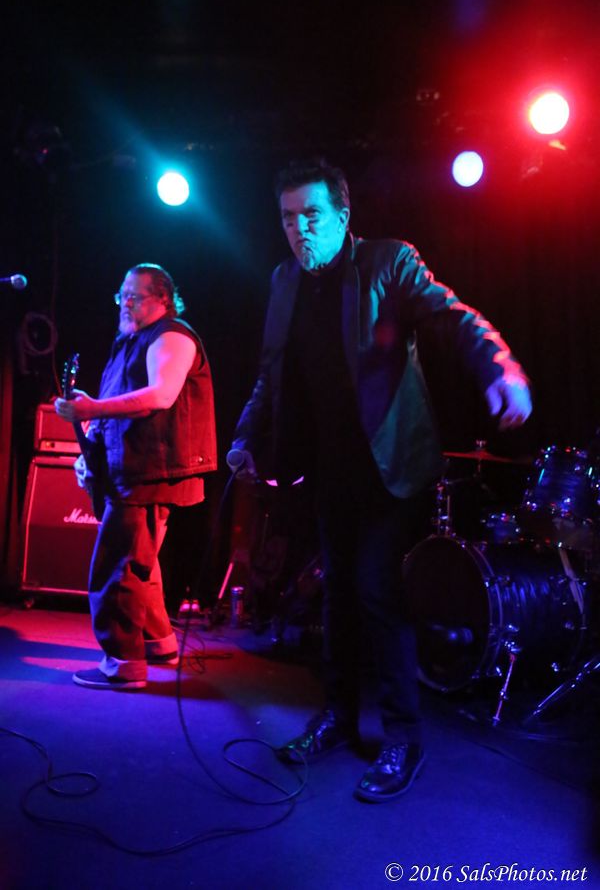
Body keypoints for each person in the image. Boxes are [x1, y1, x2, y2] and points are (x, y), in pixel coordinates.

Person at [226, 159, 532, 803]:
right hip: (329, 470)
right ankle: (339, 716)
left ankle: (403, 736)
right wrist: (246, 438)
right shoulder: (284, 281)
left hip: (393, 467)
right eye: (288, 218)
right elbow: (270, 374)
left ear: (343, 216)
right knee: (337, 595)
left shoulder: (388, 262)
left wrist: (498, 364)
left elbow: (453, 316)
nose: (300, 229)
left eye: (312, 215)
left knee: (376, 590)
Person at [55, 263, 217, 690]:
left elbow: (160, 395)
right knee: (141, 563)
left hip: (150, 471)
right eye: (121, 296)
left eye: (135, 296)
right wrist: (90, 448)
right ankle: (159, 642)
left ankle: (124, 664)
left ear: (163, 298)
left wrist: (92, 409)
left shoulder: (172, 336)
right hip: (132, 468)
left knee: (119, 567)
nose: (125, 303)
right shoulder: (130, 341)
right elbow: (115, 405)